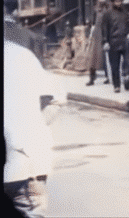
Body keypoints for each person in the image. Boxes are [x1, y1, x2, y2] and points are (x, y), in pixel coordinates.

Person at [4, 40, 67, 218]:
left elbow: (55, 98)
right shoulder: (20, 55)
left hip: (21, 171)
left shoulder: (18, 56)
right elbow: (57, 99)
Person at [101, 0, 129, 93]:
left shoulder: (125, 12)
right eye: (117, 1)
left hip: (125, 41)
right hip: (113, 42)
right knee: (115, 66)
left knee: (128, 63)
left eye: (120, 1)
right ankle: (116, 85)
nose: (119, 2)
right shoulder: (107, 13)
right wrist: (105, 41)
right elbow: (104, 28)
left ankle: (127, 83)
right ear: (112, 2)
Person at [86, 0, 110, 86]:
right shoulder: (95, 10)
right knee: (94, 57)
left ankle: (108, 76)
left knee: (107, 57)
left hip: (107, 32)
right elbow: (92, 23)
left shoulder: (109, 10)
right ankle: (92, 77)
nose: (102, 0)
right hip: (97, 34)